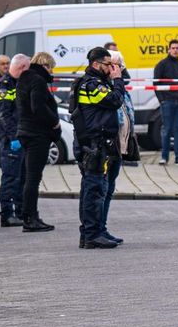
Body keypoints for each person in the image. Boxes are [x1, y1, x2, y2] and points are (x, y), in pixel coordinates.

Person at [70, 47, 123, 249]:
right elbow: (115, 101)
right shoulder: (92, 84)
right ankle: (92, 234)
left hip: (93, 142)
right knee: (94, 189)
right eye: (108, 64)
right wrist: (117, 81)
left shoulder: (95, 82)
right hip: (94, 144)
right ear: (95, 64)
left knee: (93, 188)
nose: (111, 68)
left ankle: (93, 232)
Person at [14, 51, 60, 232]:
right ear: (45, 65)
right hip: (36, 135)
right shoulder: (38, 81)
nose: (52, 72)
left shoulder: (24, 79)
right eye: (51, 68)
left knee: (27, 177)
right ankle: (30, 218)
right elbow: (38, 107)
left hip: (25, 132)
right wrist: (54, 121)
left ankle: (28, 215)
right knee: (33, 178)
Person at [0, 54, 29, 227]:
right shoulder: (3, 86)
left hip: (20, 138)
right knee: (10, 178)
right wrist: (14, 137)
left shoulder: (17, 84)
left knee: (21, 177)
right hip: (10, 140)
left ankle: (19, 212)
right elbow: (4, 115)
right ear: (21, 68)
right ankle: (6, 214)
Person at [102, 50, 133, 244]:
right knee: (102, 189)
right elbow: (114, 107)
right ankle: (96, 229)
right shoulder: (106, 87)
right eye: (117, 67)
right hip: (106, 146)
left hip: (117, 147)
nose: (120, 71)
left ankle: (102, 227)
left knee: (109, 188)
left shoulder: (118, 86)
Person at [153, 39, 178, 166]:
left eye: (177, 48)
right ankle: (164, 157)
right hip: (167, 102)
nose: (175, 50)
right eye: (172, 48)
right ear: (168, 49)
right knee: (167, 129)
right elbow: (156, 83)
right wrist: (162, 100)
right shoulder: (161, 65)